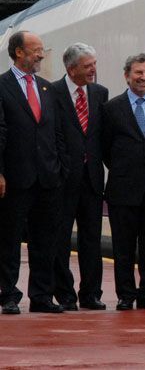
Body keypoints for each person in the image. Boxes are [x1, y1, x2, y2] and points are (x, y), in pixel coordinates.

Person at [0, 30, 68, 314]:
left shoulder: (46, 88)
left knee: (45, 239)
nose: (41, 54)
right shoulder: (2, 86)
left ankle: (41, 295)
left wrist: (60, 168)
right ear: (18, 52)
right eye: (36, 50)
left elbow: (56, 132)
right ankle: (8, 294)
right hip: (15, 178)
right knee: (9, 238)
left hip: (48, 178)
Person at [102, 53, 145, 311]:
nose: (144, 78)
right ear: (127, 75)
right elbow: (106, 148)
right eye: (138, 73)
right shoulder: (111, 108)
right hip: (123, 189)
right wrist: (124, 170)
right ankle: (126, 295)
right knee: (123, 247)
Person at [52, 43, 108, 311]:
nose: (93, 70)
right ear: (71, 68)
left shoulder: (100, 93)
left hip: (92, 179)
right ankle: (64, 294)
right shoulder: (52, 93)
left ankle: (91, 293)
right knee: (60, 239)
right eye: (88, 66)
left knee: (91, 239)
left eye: (94, 64)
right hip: (63, 180)